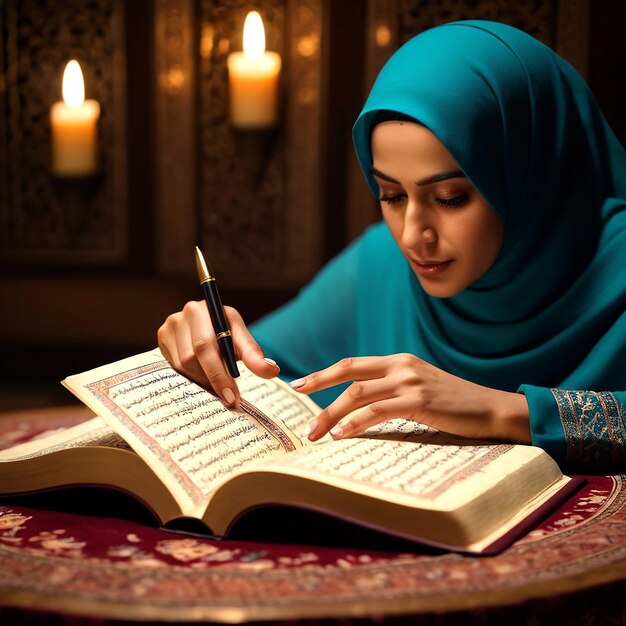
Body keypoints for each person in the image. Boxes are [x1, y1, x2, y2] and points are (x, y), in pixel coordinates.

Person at [158, 20, 626, 473]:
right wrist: (204, 351)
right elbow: (262, 373)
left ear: (531, 176)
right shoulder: (380, 264)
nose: (411, 235)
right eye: (392, 195)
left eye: (450, 197)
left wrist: (499, 410)